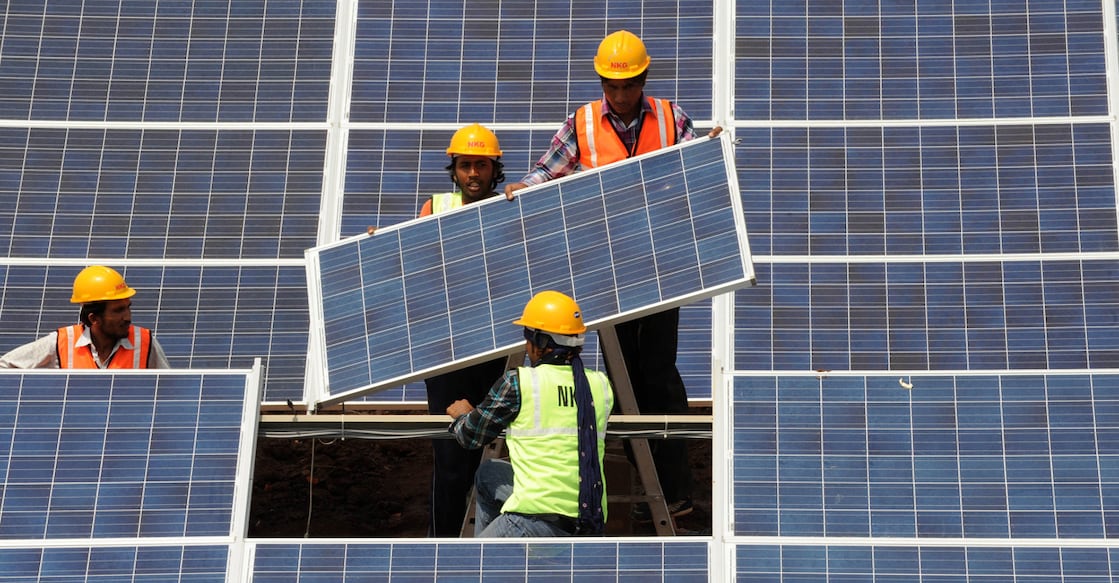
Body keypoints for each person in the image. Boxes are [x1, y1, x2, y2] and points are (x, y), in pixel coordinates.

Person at [503, 30, 715, 519]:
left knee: (659, 376)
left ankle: (673, 490)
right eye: (612, 86)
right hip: (608, 268)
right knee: (623, 379)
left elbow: (694, 163)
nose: (620, 96)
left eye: (629, 85)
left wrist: (709, 151)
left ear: (643, 78)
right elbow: (547, 172)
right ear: (601, 81)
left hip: (662, 266)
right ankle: (641, 482)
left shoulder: (669, 117)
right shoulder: (580, 124)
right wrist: (523, 187)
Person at [447, 291, 613, 537]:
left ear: (540, 343)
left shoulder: (520, 383)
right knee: (489, 474)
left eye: (527, 337)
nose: (526, 346)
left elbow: (470, 436)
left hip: (538, 521)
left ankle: (498, 559)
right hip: (589, 518)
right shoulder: (601, 385)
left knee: (471, 569)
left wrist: (463, 415)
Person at [420, 123, 511, 537]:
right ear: (453, 169)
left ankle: (487, 547)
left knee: (494, 456)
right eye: (465, 165)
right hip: (445, 351)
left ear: (496, 169)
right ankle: (443, 547)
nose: (473, 174)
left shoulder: (514, 205)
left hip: (495, 350)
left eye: (481, 165)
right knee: (451, 462)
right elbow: (411, 264)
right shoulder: (433, 208)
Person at [0, 265, 170, 369]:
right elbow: (6, 367)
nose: (127, 317)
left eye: (127, 308)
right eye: (118, 311)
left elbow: (168, 388)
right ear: (94, 318)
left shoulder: (146, 343)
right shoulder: (60, 343)